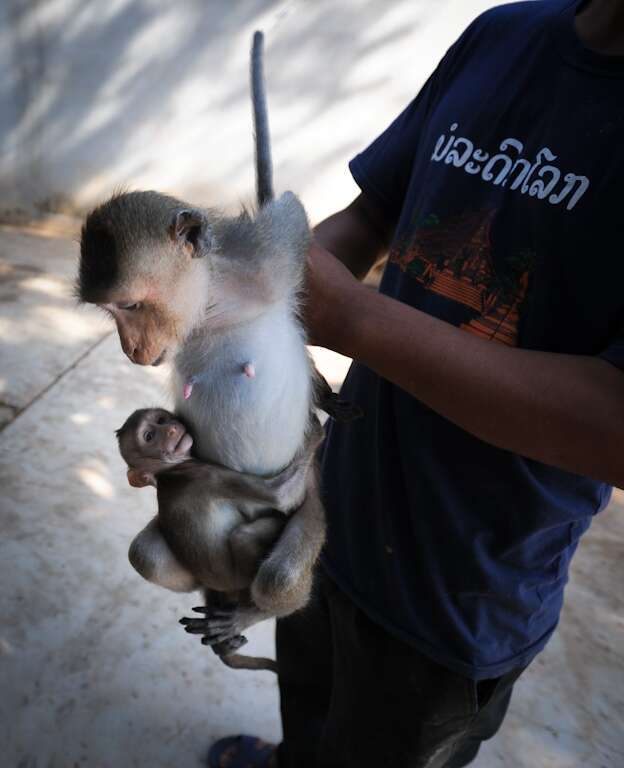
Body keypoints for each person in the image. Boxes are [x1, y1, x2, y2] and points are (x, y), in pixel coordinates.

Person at [208, 1, 624, 765]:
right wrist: (262, 299)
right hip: (334, 509)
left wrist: (354, 320)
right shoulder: (505, 36)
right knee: (307, 700)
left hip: (459, 590)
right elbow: (373, 214)